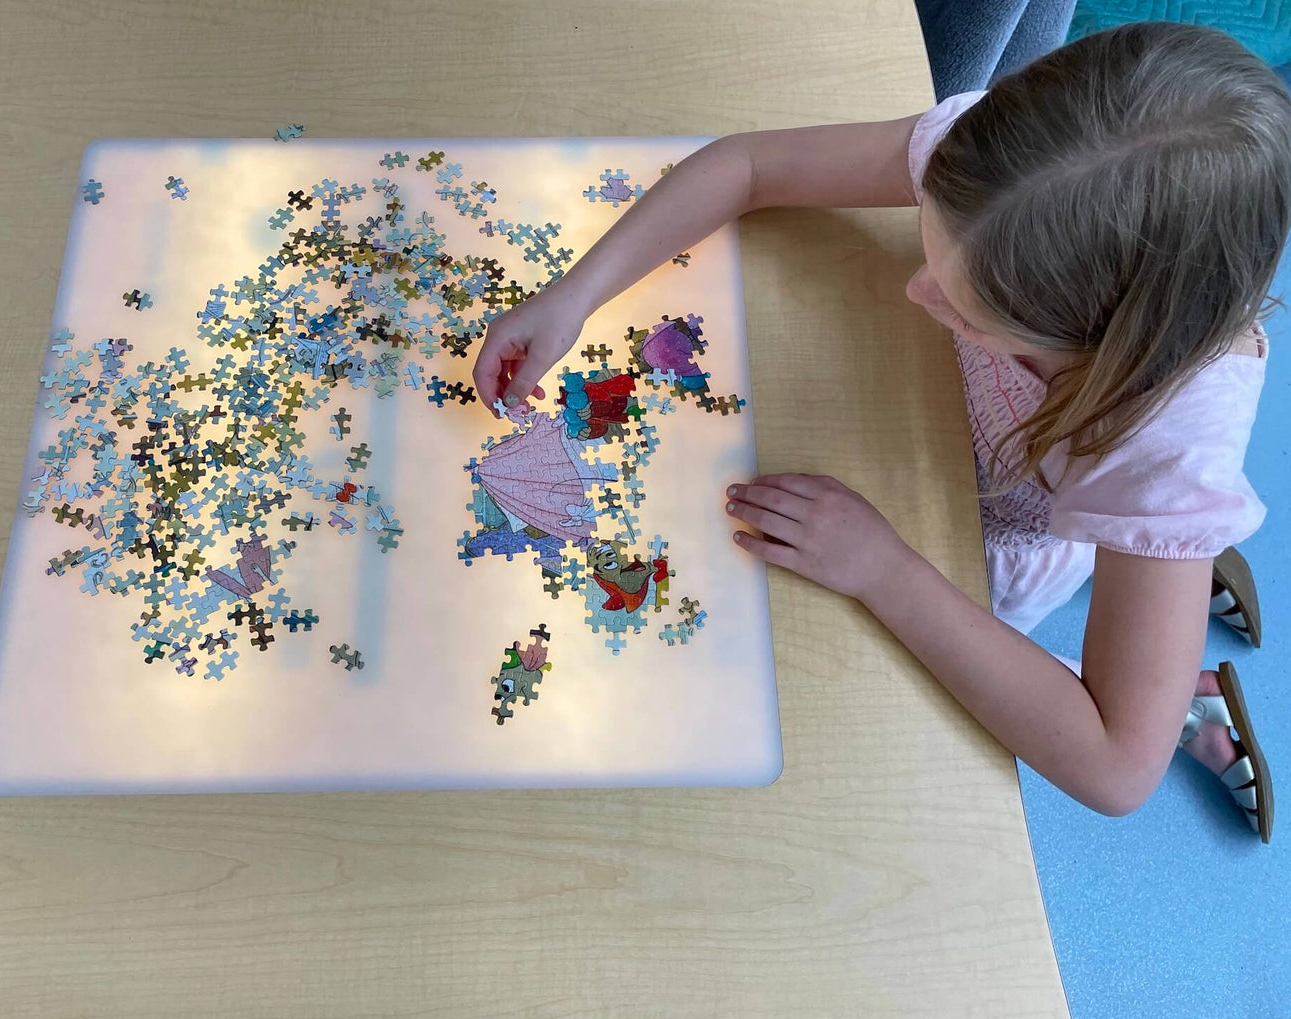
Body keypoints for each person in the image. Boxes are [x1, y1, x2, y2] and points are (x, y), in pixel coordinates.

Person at [472, 23, 1288, 842]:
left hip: (989, 543)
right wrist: (571, 297)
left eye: (970, 309)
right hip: (942, 442)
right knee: (1132, 548)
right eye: (933, 238)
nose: (916, 289)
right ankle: (1154, 576)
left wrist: (882, 570)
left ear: (1107, 344)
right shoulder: (1014, 172)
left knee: (1002, 652)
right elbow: (747, 165)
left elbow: (1114, 768)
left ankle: (1185, 684)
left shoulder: (1162, 446)